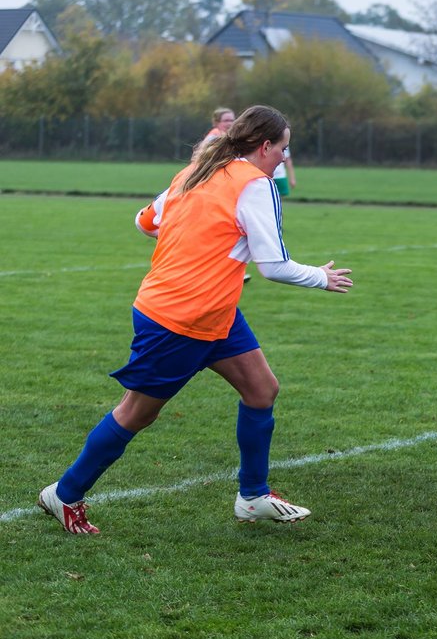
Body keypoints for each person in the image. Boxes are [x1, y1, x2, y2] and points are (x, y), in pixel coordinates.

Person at [38, 105, 354, 535]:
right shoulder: (255, 185)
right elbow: (273, 265)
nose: (285, 156)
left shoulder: (197, 171)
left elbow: (144, 221)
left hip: (214, 311)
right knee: (136, 413)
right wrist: (322, 277)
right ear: (264, 146)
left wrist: (202, 248)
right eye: (284, 147)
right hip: (179, 317)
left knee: (262, 389)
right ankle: (65, 493)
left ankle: (253, 497)